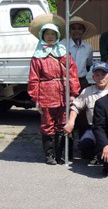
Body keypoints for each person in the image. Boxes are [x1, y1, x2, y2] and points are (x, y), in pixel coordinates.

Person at [27, 14, 80, 165]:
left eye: (53, 34)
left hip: (63, 93)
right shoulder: (37, 56)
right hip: (45, 95)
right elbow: (34, 79)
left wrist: (73, 93)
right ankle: (49, 156)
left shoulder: (64, 53)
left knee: (62, 124)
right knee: (47, 125)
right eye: (47, 34)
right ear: (42, 36)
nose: (50, 37)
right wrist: (35, 99)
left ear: (57, 36)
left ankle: (59, 155)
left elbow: (72, 74)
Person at [64, 62, 108, 161]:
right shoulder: (87, 91)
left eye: (103, 75)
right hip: (93, 128)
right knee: (85, 144)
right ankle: (95, 154)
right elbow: (75, 107)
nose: (100, 78)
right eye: (97, 75)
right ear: (93, 77)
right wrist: (71, 122)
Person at [65, 16, 95, 90]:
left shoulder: (88, 47)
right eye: (73, 28)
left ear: (84, 31)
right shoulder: (62, 46)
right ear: (69, 30)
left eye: (79, 28)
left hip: (82, 81)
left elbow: (88, 64)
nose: (77, 31)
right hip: (66, 82)